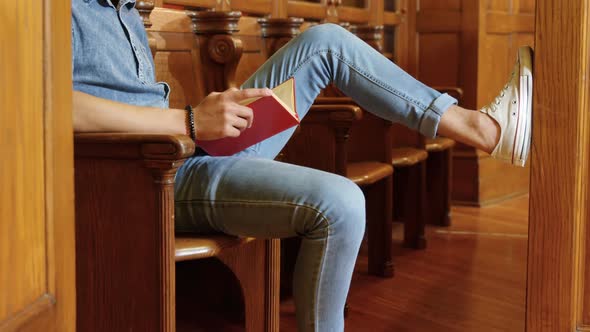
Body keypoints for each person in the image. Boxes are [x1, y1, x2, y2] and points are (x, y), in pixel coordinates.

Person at [71, 0, 533, 330]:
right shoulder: (53, 11)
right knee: (341, 203)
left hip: (187, 150)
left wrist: (208, 119)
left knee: (326, 42)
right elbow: (52, 105)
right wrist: (189, 121)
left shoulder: (126, 10)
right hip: (141, 176)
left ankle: (483, 129)